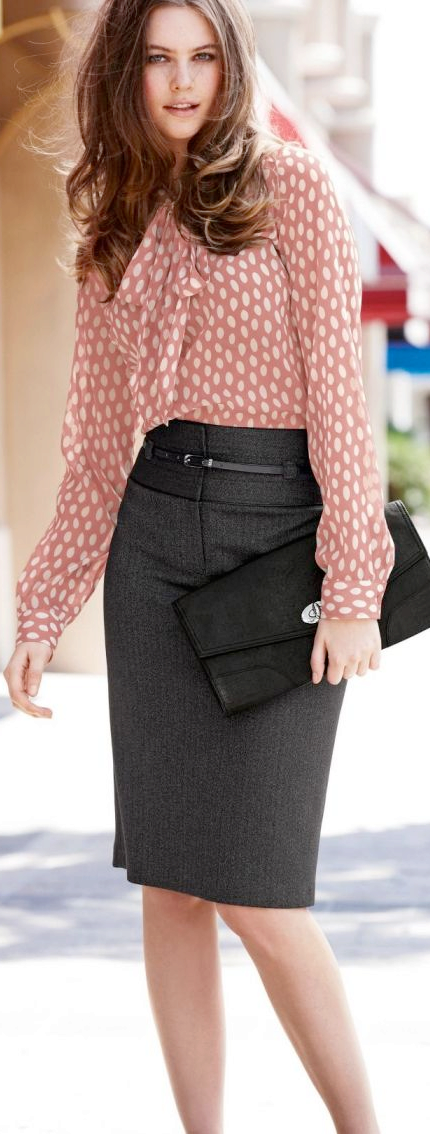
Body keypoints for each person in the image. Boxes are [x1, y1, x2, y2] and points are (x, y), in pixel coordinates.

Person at [3, 1, 395, 1131]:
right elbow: (94, 444)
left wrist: (352, 585)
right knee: (170, 886)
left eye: (203, 57)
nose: (182, 82)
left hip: (280, 551)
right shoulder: (113, 213)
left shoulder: (293, 185)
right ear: (126, 74)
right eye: (159, 59)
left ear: (232, 66)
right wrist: (43, 606)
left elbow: (340, 399)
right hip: (156, 544)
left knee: (262, 895)